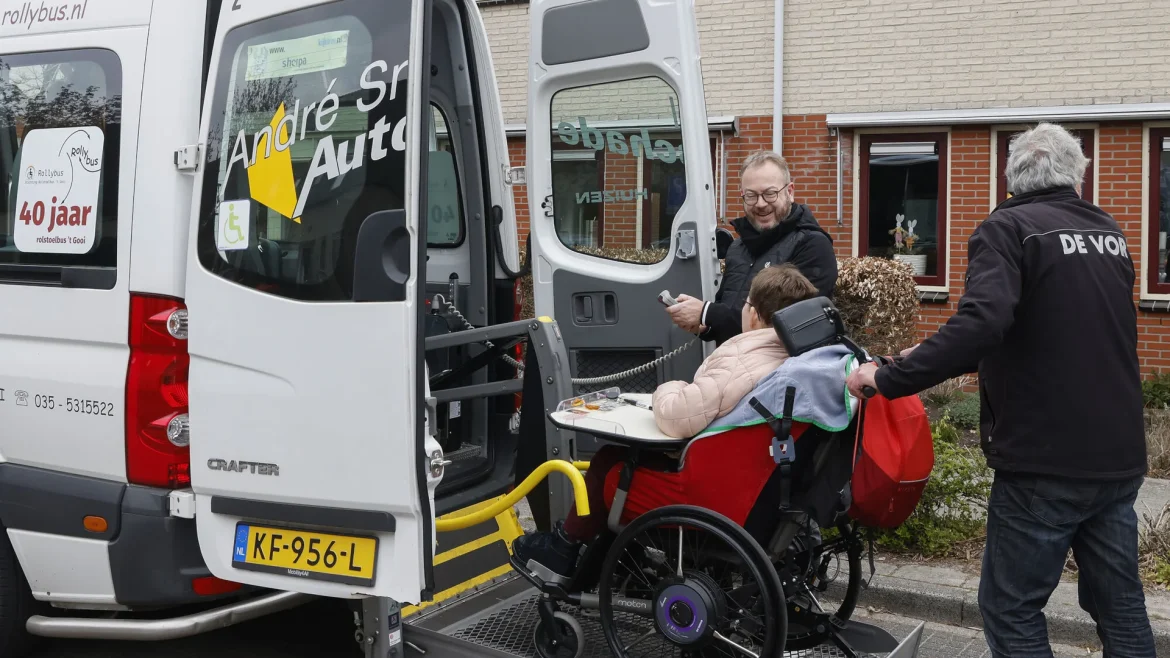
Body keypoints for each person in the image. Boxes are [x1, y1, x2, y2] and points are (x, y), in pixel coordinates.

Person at [846, 123, 1155, 658]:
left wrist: (887, 378)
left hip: (1045, 459)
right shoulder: (1107, 230)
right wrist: (921, 355)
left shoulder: (1008, 228)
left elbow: (983, 324)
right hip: (1118, 456)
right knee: (1120, 606)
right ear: (1077, 175)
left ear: (1011, 176)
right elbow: (1048, 329)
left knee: (1011, 608)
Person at [513, 264, 820, 579]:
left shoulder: (742, 361)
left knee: (609, 464)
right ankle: (596, 556)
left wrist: (670, 387)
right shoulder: (795, 360)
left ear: (753, 315)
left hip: (709, 499)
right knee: (616, 458)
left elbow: (677, 416)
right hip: (753, 494)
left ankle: (562, 550)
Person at [667, 150, 837, 346]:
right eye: (751, 195)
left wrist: (707, 312)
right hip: (734, 360)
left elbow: (792, 324)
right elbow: (728, 311)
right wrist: (704, 326)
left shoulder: (813, 245)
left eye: (770, 194)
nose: (760, 204)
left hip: (776, 364)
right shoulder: (738, 247)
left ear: (790, 192)